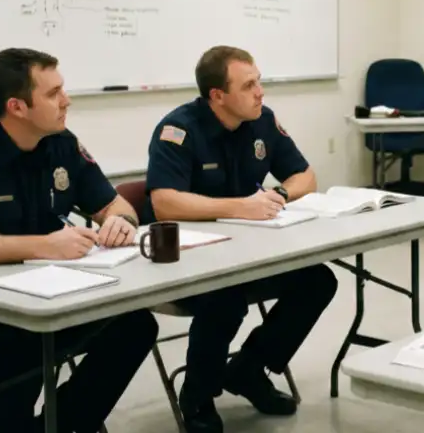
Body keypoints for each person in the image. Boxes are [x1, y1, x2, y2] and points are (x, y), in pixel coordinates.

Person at [0, 47, 158, 433]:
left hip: (48, 294)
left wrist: (122, 222)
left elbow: (115, 205)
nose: (67, 100)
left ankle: (63, 424)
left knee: (134, 324)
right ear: (17, 107)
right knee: (24, 334)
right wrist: (44, 246)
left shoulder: (61, 144)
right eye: (53, 93)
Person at [143, 45, 338, 433]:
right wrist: (240, 207)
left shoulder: (262, 120)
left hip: (252, 252)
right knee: (225, 297)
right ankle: (197, 395)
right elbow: (164, 203)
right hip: (193, 263)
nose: (260, 92)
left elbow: (305, 176)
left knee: (318, 281)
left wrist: (279, 195)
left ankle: (249, 368)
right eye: (249, 85)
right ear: (218, 95)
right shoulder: (178, 130)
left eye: (259, 81)